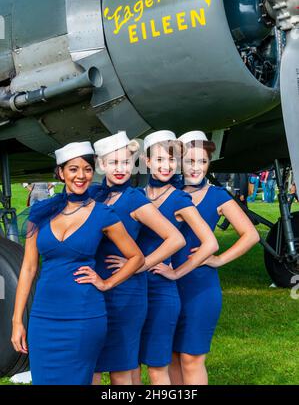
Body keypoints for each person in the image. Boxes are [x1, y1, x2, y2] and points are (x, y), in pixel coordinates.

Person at [11, 141, 144, 385]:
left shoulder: (103, 214)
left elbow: (136, 257)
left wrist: (106, 282)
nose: (81, 176)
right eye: (73, 169)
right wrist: (17, 320)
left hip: (84, 316)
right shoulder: (40, 212)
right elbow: (28, 268)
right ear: (61, 173)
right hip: (43, 318)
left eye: (87, 169)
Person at [107, 131, 218, 385]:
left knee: (158, 369)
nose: (165, 166)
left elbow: (209, 243)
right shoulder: (136, 195)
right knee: (129, 364)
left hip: (159, 291)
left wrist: (174, 272)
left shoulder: (180, 198)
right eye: (159, 159)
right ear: (146, 162)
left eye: (171, 160)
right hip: (133, 291)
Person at [152, 131, 260, 385]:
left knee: (191, 357)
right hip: (167, 284)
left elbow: (250, 235)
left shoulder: (218, 196)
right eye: (190, 161)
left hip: (199, 287)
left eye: (202, 162)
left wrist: (219, 259)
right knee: (172, 356)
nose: (196, 168)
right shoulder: (168, 192)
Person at [91, 132, 185, 386]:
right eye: (113, 163)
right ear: (101, 165)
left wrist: (141, 264)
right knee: (93, 368)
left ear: (133, 164)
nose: (120, 169)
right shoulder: (93, 196)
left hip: (127, 293)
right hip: (94, 289)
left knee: (122, 368)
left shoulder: (135, 199)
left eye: (125, 162)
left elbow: (175, 239)